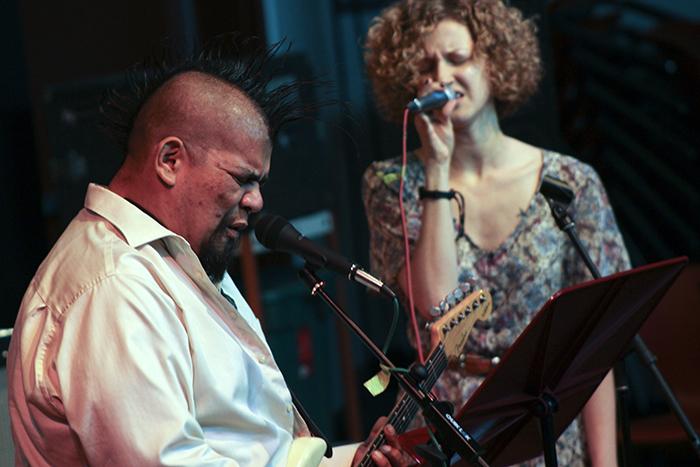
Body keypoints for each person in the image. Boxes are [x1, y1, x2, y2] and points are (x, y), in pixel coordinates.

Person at [8, 37, 411, 466]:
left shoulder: (174, 257)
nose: (256, 201)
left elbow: (260, 450)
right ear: (170, 160)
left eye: (260, 183)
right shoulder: (115, 287)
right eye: (242, 178)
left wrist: (348, 461)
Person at [362, 1, 630, 466]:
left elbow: (595, 347)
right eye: (425, 67)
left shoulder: (571, 182)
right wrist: (438, 169)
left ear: (496, 61)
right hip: (447, 429)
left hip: (549, 420)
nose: (440, 76)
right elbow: (436, 308)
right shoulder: (392, 185)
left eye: (457, 58)